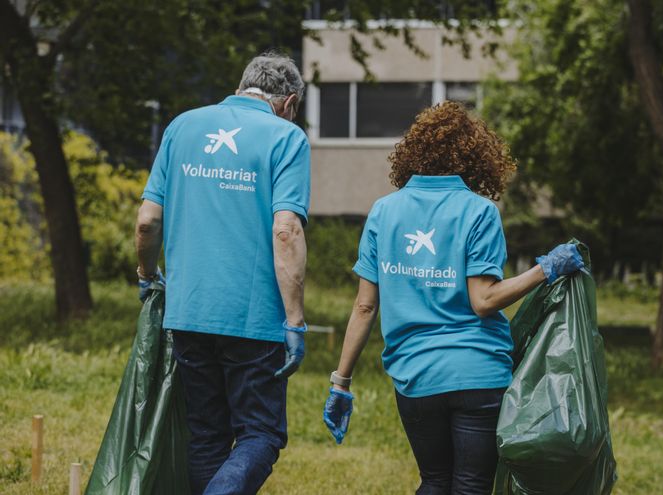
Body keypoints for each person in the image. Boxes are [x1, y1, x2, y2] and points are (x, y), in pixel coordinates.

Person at [322, 101, 584, 494]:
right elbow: (483, 300)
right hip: (477, 376)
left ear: (414, 151)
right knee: (471, 486)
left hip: (416, 378)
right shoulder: (479, 212)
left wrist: (340, 382)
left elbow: (364, 306)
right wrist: (543, 270)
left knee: (435, 481)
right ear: (476, 156)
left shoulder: (383, 212)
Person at [135, 52, 310, 495]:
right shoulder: (286, 137)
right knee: (261, 434)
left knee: (208, 435)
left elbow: (147, 221)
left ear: (241, 85)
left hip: (188, 310)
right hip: (253, 318)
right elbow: (286, 231)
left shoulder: (182, 126)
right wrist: (294, 319)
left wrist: (146, 273)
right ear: (289, 102)